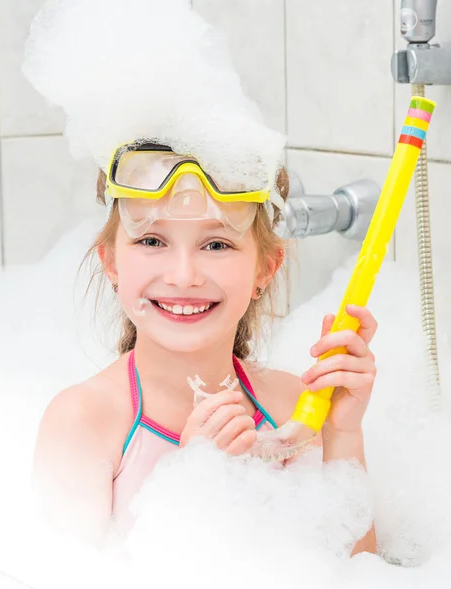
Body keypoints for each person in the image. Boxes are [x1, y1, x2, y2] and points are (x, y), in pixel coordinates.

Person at [32, 141, 378, 554]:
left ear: (265, 269)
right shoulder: (83, 423)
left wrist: (343, 433)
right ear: (112, 262)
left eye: (216, 245)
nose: (183, 276)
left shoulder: (296, 407)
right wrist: (191, 479)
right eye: (152, 241)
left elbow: (360, 580)